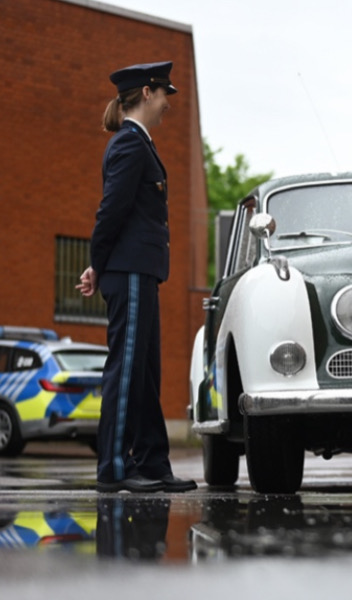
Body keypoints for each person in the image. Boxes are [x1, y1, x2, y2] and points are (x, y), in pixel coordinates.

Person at [76, 61, 197, 493]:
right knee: (125, 370)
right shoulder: (130, 144)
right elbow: (111, 212)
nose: (167, 105)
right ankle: (113, 468)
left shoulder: (139, 144)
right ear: (147, 93)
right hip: (128, 272)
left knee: (145, 371)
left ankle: (152, 464)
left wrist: (97, 264)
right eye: (165, 95)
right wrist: (100, 262)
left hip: (138, 271)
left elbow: (122, 217)